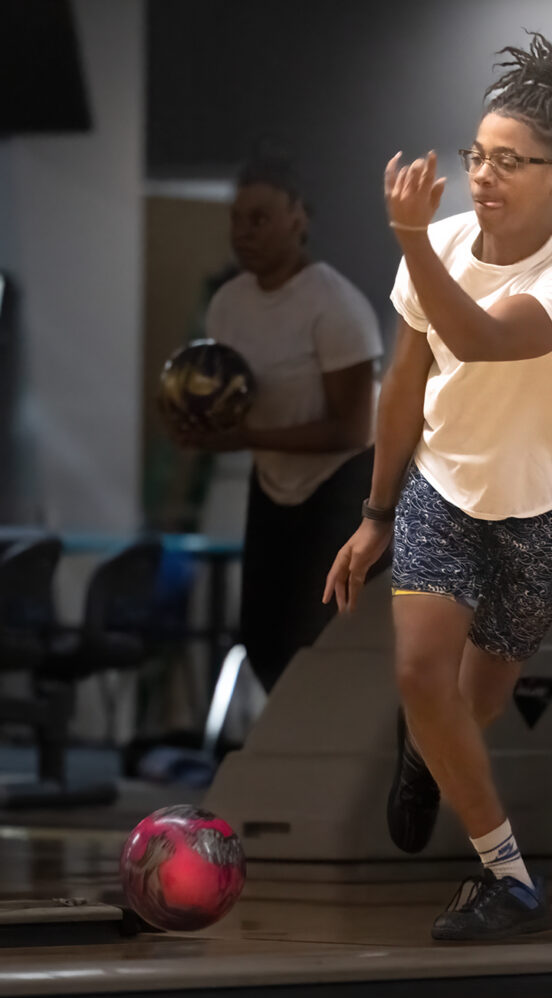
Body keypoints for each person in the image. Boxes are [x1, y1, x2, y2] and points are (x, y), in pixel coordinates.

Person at [324, 33, 552, 941]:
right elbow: (405, 381)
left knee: (469, 708)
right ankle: (510, 879)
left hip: (550, 508)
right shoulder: (441, 245)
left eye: (511, 161)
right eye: (477, 156)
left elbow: (483, 336)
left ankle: (425, 749)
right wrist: (376, 515)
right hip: (442, 489)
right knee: (420, 671)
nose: (485, 175)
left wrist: (411, 240)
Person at [169, 146, 384, 692]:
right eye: (237, 219)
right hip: (274, 479)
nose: (244, 232)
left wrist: (243, 437)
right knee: (263, 640)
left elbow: (351, 430)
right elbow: (227, 392)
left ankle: (339, 762)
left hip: (349, 481)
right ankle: (292, 757)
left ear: (298, 218)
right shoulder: (227, 304)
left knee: (323, 642)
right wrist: (195, 421)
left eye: (259, 218)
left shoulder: (335, 306)